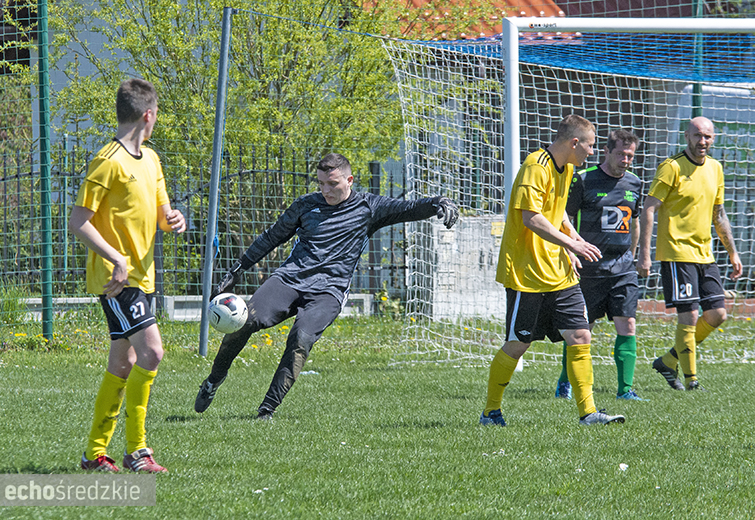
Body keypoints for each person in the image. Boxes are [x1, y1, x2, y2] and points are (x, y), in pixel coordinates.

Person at [195, 152, 459, 419]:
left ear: (349, 180)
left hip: (329, 292)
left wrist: (437, 203)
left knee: (301, 338)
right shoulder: (306, 205)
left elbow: (408, 208)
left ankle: (266, 411)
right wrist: (238, 269)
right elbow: (272, 237)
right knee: (246, 321)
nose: (326, 190)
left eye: (333, 184)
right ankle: (214, 380)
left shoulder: (369, 207)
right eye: (321, 183)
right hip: (289, 279)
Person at [70, 78, 186, 473]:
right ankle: (138, 451)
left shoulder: (150, 159)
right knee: (152, 352)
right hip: (117, 280)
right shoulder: (108, 161)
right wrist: (116, 258)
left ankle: (94, 454)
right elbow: (78, 221)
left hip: (142, 275)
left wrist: (174, 219)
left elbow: (162, 216)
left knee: (124, 364)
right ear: (148, 115)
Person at [481, 114, 625, 427]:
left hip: (558, 272)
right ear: (574, 143)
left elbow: (556, 213)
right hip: (527, 274)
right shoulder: (536, 166)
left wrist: (574, 238)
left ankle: (588, 413)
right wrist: (571, 244)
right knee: (518, 345)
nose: (592, 152)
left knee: (580, 335)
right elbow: (531, 217)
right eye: (589, 145)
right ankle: (491, 412)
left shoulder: (568, 168)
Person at [637, 116, 742, 391]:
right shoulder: (671, 167)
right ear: (687, 137)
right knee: (690, 316)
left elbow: (719, 214)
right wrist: (644, 254)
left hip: (705, 254)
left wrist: (733, 253)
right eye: (697, 135)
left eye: (707, 136)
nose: (702, 141)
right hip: (677, 253)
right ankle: (691, 380)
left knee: (717, 314)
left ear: (713, 138)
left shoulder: (716, 168)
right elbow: (649, 208)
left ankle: (668, 360)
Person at [554, 130, 647, 402]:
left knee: (628, 324)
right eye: (620, 154)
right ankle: (565, 382)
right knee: (582, 330)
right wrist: (570, 251)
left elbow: (635, 221)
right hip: (590, 268)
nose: (625, 160)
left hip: (623, 269)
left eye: (630, 155)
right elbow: (564, 216)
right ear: (606, 151)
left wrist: (633, 255)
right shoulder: (583, 179)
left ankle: (625, 390)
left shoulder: (635, 183)